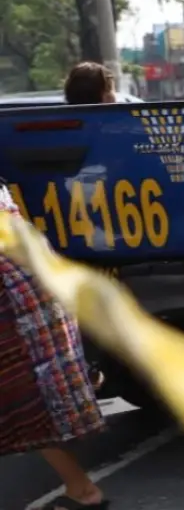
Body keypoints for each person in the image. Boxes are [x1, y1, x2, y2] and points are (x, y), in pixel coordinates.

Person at [1, 182, 109, 509]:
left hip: (15, 296)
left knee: (30, 398)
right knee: (32, 397)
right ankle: (81, 489)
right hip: (30, 278)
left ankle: (83, 491)